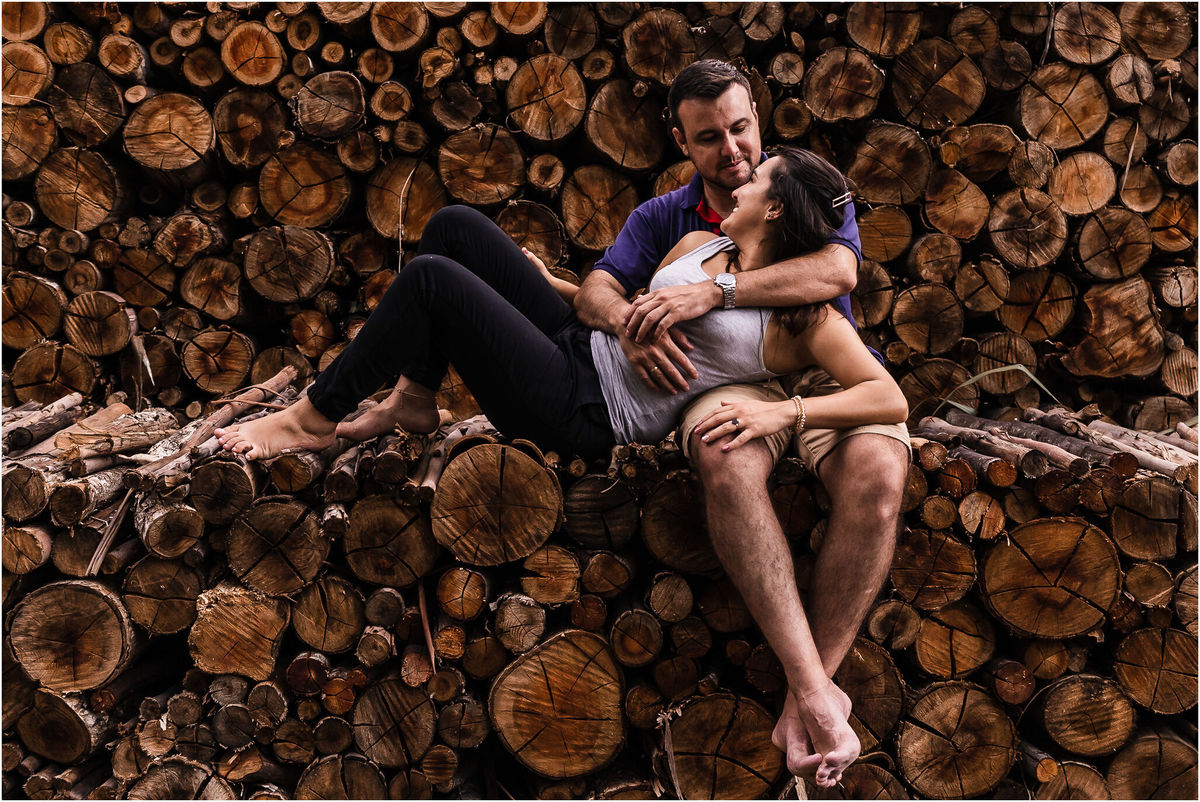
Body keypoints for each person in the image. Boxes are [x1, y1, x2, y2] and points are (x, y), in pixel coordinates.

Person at [215, 148, 908, 789]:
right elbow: (617, 311)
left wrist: (782, 416)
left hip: (584, 407)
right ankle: (416, 394)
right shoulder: (705, 245)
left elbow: (887, 395)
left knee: (431, 281)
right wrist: (552, 286)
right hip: (578, 347)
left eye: (756, 177)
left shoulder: (803, 317)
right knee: (455, 226)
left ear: (778, 206)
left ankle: (311, 418)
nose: (740, 177)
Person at [569, 60, 911, 787]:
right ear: (681, 142)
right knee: (725, 456)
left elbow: (835, 275)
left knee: (881, 473)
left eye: (739, 128)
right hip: (720, 377)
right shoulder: (665, 216)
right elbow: (600, 286)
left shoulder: (798, 185)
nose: (730, 150)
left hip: (820, 375)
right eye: (707, 138)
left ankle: (807, 693)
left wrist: (716, 292)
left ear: (757, 116)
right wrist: (628, 322)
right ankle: (817, 693)